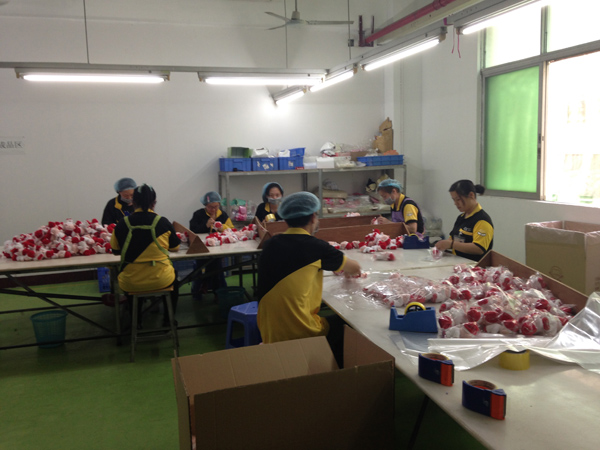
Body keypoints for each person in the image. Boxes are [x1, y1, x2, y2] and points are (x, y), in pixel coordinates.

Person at [256, 192, 361, 366]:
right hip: (300, 332)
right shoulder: (316, 247)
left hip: (269, 332)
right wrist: (344, 269)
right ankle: (335, 371)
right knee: (349, 323)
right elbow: (355, 268)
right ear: (313, 217)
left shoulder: (270, 244)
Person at [110, 184, 181, 326]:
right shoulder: (162, 222)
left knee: (133, 281)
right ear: (154, 203)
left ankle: (136, 322)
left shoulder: (122, 224)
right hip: (161, 279)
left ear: (133, 202)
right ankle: (168, 320)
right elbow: (175, 247)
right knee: (175, 281)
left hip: (131, 281)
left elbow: (115, 250)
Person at [435, 179, 494, 262]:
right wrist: (442, 245)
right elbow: (452, 239)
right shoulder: (461, 217)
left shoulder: (482, 220)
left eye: (458, 199)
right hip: (457, 263)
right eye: (453, 200)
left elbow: (479, 248)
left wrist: (451, 244)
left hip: (474, 267)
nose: (455, 203)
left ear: (471, 195)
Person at [189, 191, 232, 299]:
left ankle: (208, 286)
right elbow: (192, 231)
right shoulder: (198, 214)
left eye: (216, 206)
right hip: (202, 248)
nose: (213, 209)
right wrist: (206, 225)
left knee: (216, 263)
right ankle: (212, 289)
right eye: (210, 207)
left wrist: (222, 227)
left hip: (219, 248)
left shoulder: (222, 215)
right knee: (209, 265)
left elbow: (232, 229)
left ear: (219, 204)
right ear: (205, 205)